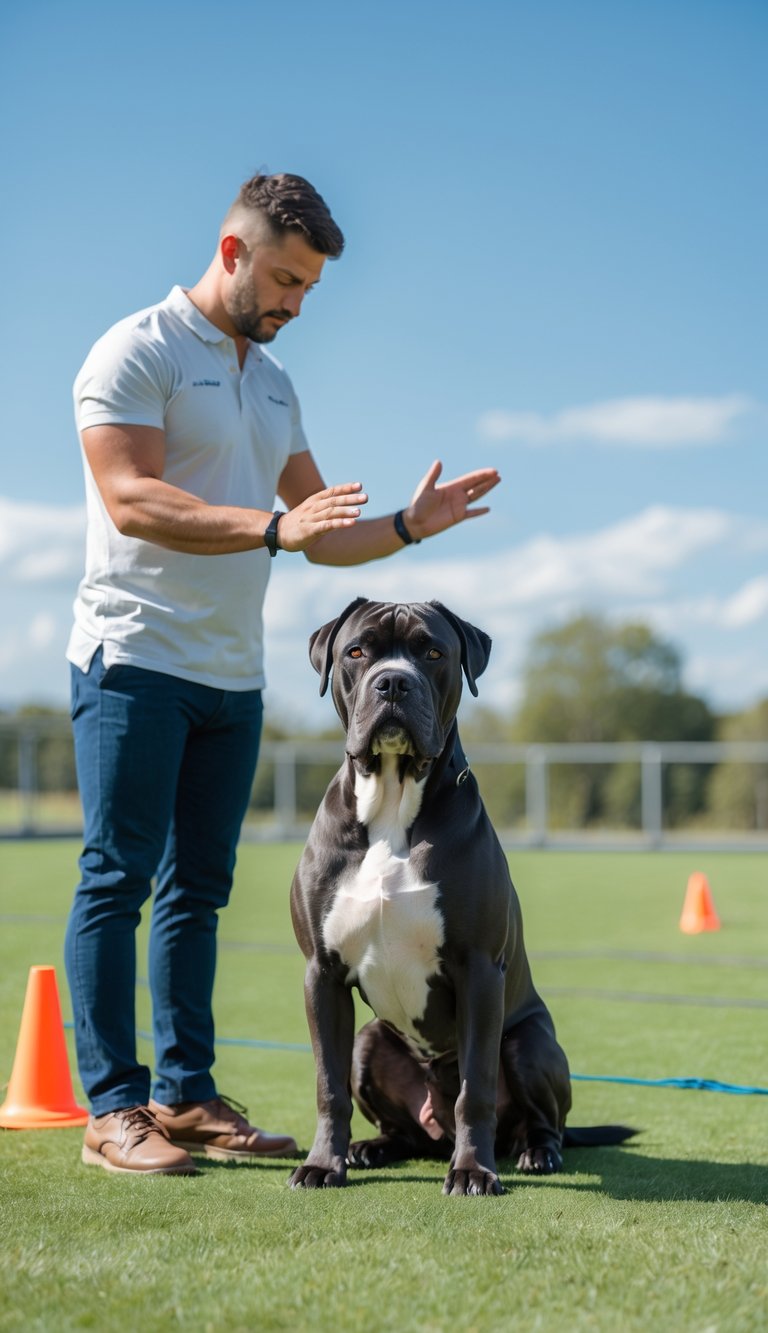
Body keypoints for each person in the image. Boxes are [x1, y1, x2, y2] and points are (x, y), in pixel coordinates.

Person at [65, 172, 501, 1175]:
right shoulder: (134, 350)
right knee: (116, 878)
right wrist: (270, 526)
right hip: (132, 655)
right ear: (233, 252)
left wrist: (403, 527)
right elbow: (131, 497)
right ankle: (113, 1109)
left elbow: (318, 533)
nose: (298, 304)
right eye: (288, 280)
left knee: (197, 890)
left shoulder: (270, 380)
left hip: (230, 673)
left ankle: (183, 1093)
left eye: (308, 288)